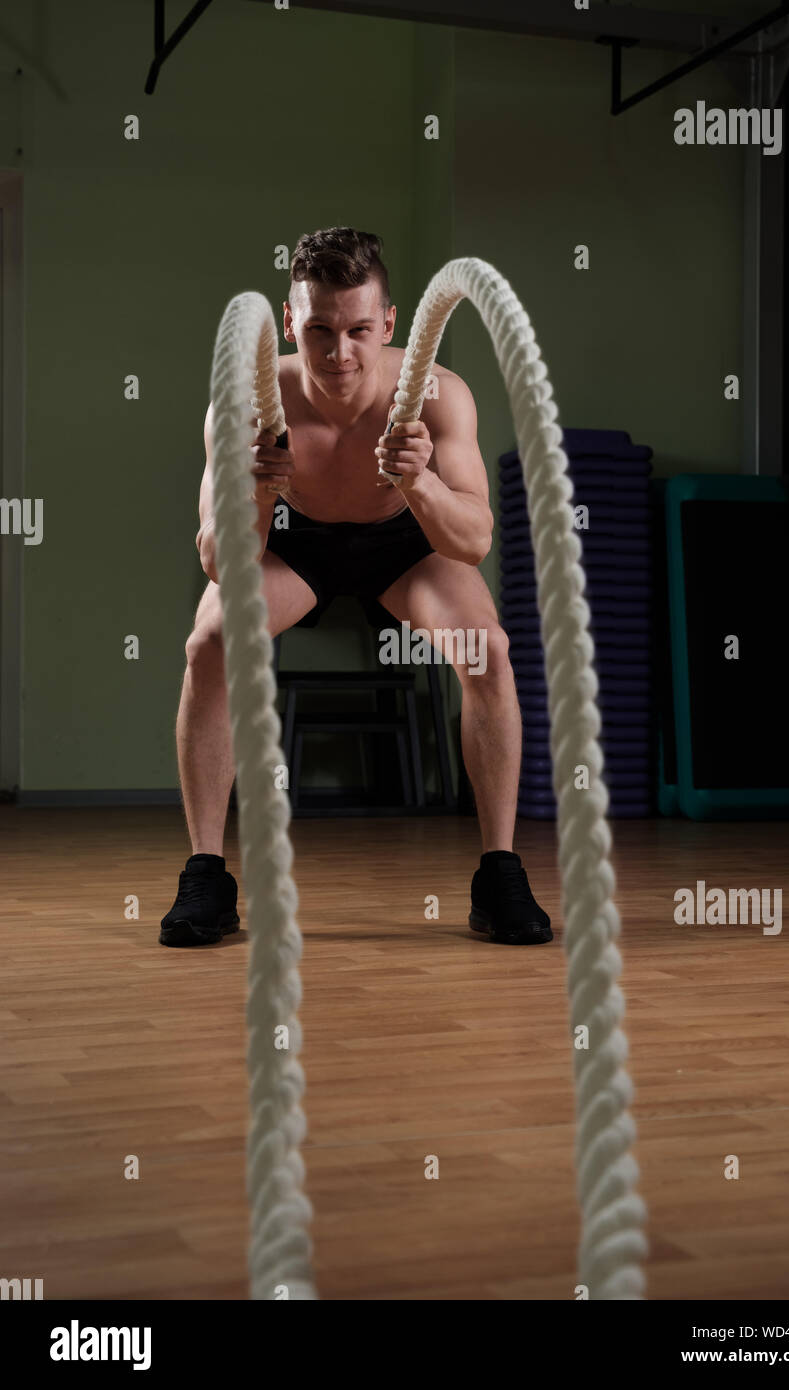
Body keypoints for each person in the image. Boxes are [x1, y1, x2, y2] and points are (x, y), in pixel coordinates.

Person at [160, 227, 551, 948]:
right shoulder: (243, 403)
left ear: (390, 324)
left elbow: (472, 540)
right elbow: (219, 559)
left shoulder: (438, 395)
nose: (339, 353)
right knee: (209, 645)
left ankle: (499, 872)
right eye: (318, 331)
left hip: (404, 539)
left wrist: (421, 481)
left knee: (488, 651)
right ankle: (206, 876)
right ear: (288, 323)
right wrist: (255, 493)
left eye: (358, 330)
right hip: (293, 539)